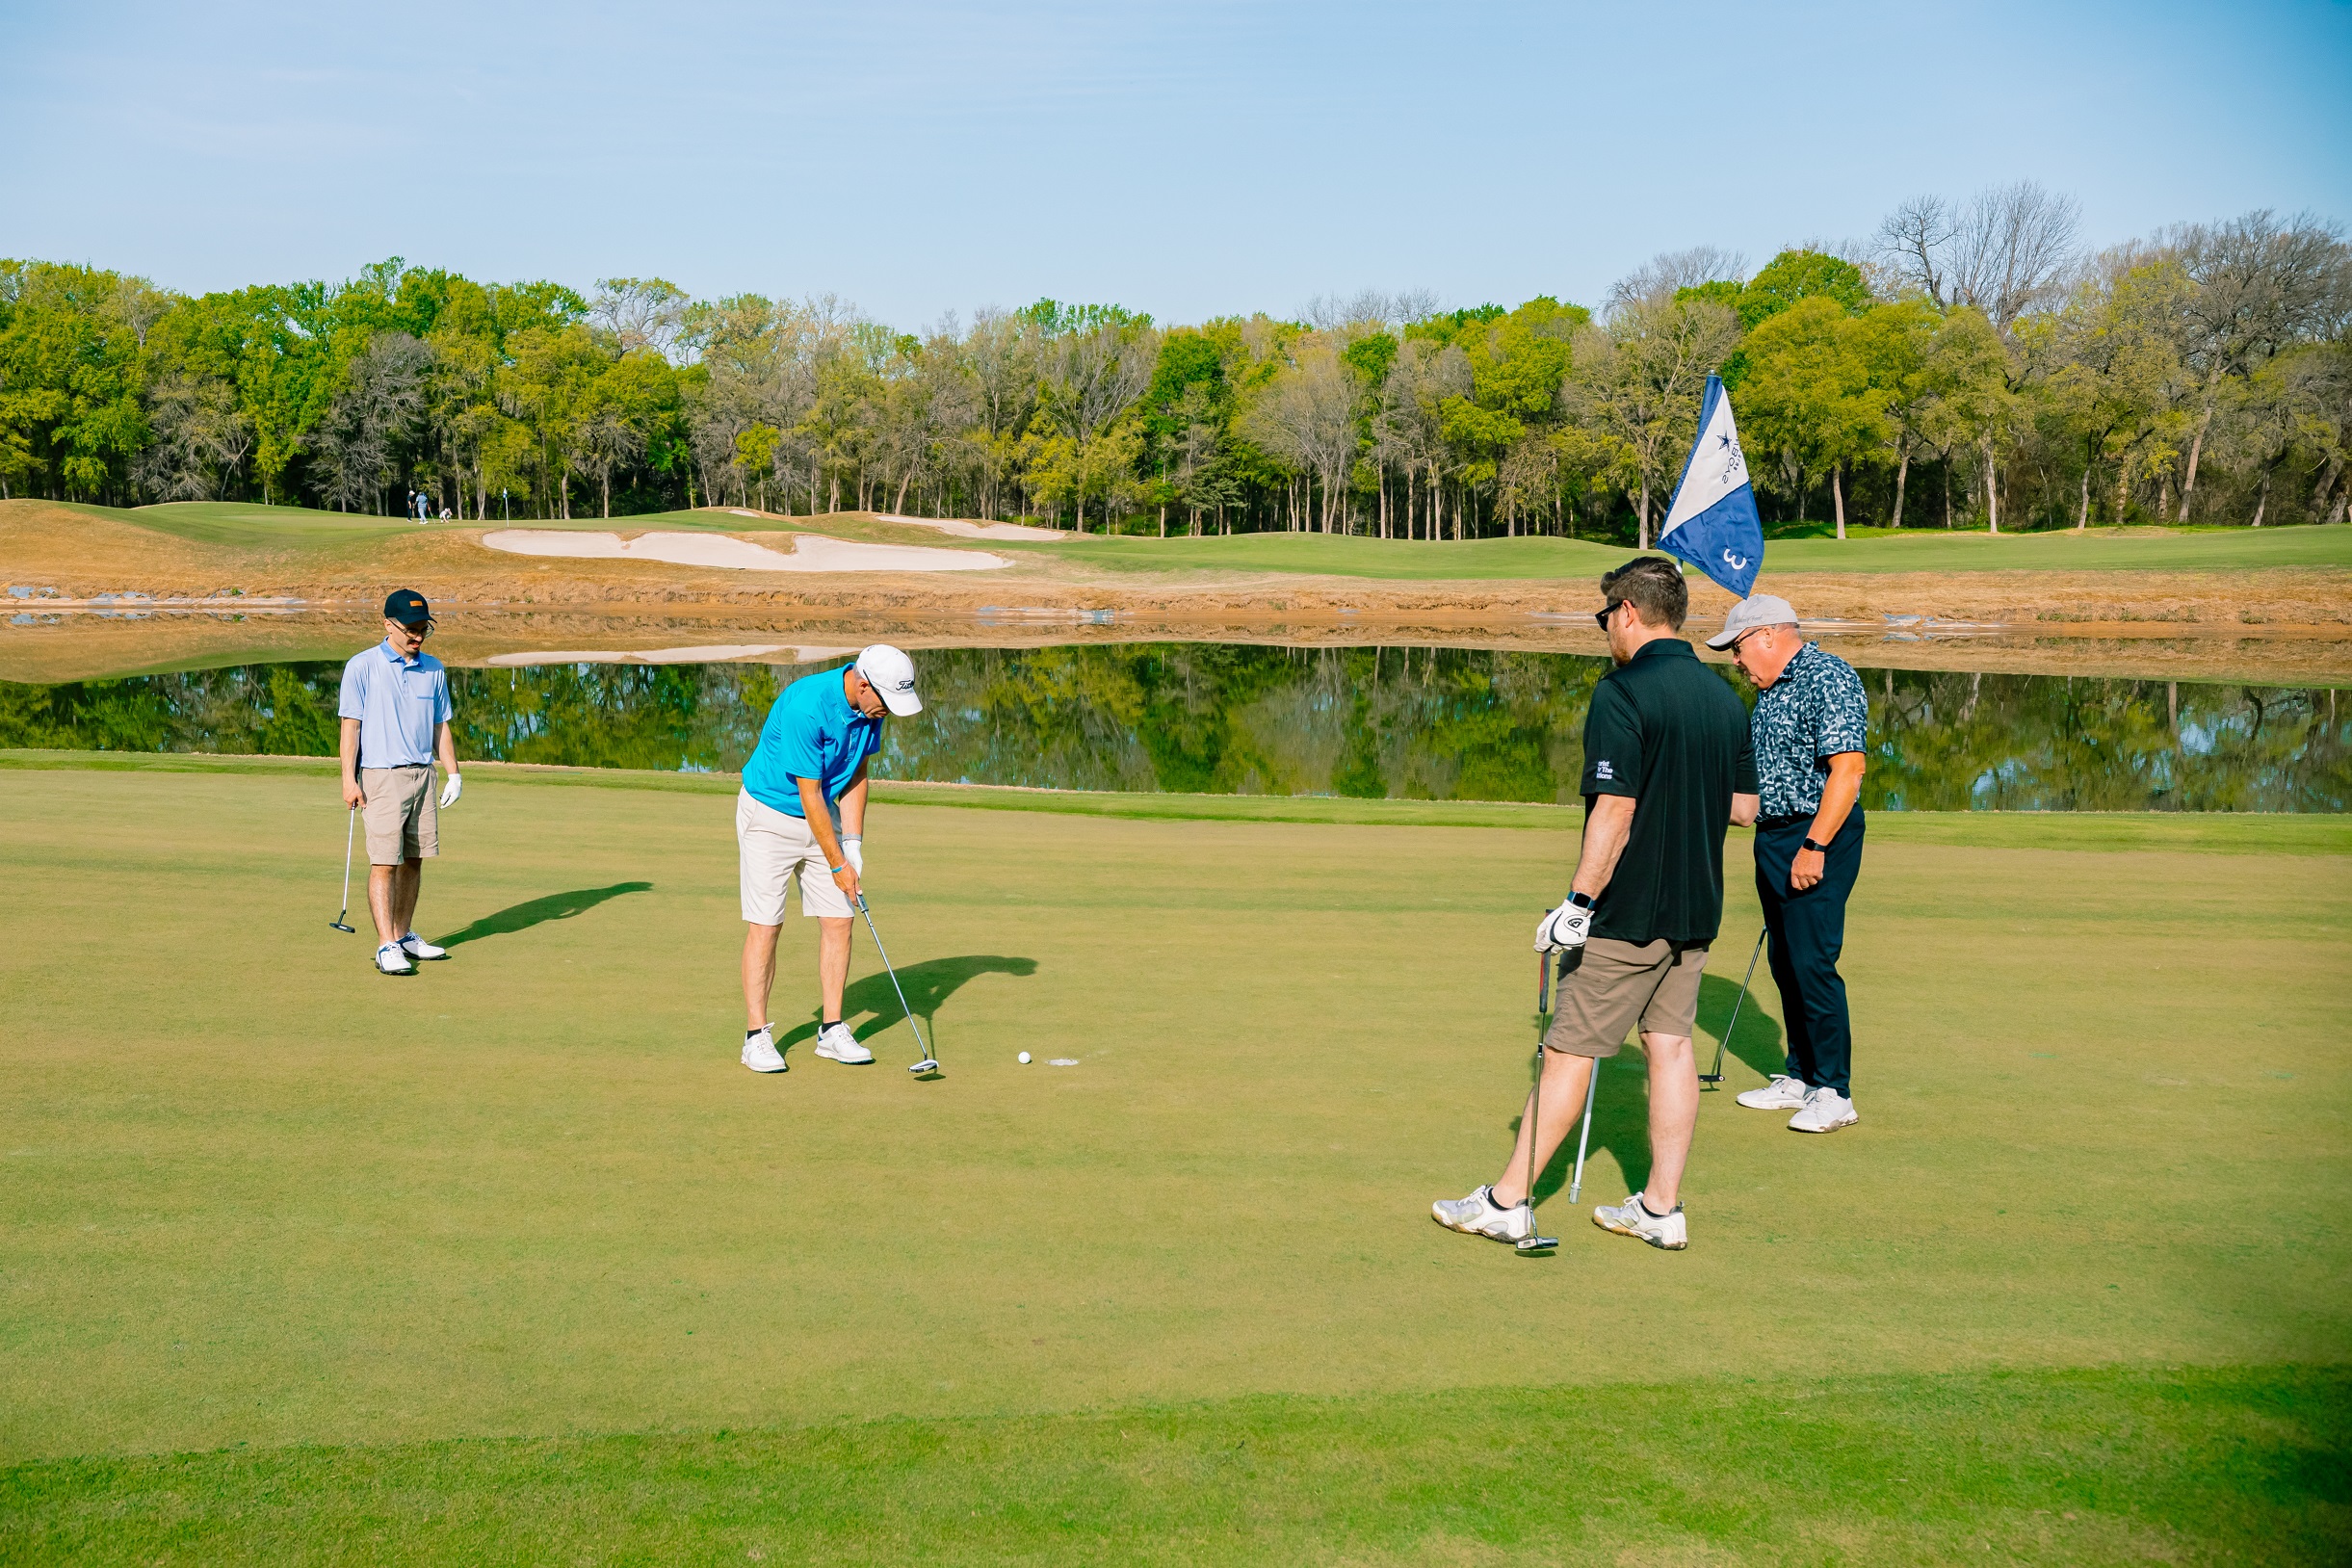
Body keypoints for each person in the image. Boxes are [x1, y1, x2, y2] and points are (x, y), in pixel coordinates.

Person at [1433, 557, 1757, 1251]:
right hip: (1696, 909)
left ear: (1629, 612)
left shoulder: (1622, 692)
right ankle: (1661, 1209)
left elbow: (1615, 808)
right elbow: (1743, 808)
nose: (1605, 625)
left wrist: (1578, 901)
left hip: (1626, 913)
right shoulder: (1723, 698)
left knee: (1567, 1053)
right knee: (1670, 1048)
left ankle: (1507, 1202)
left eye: (1606, 613)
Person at [1709, 595, 1869, 1134]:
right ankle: (1801, 1077)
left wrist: (1815, 846)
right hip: (1775, 835)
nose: (1735, 660)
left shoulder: (1827, 676)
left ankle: (1835, 1091)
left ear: (1768, 635)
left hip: (1816, 834)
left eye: (1737, 647)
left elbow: (1848, 771)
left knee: (1812, 961)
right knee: (1785, 960)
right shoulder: (1772, 691)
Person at [737, 645, 924, 1073]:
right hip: (770, 814)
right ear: (863, 684)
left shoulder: (871, 708)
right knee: (766, 925)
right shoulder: (807, 707)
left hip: (823, 814)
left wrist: (852, 843)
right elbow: (809, 794)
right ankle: (755, 1037)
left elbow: (856, 774)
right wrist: (838, 864)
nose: (888, 712)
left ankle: (832, 1030)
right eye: (886, 702)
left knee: (840, 920)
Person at [337, 589, 462, 976]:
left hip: (423, 775)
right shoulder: (362, 666)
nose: (418, 636)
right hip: (382, 776)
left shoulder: (434, 669)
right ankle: (385, 945)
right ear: (387, 624)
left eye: (424, 628)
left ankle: (403, 934)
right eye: (411, 629)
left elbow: (441, 726)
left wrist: (454, 773)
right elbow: (351, 728)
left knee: (414, 859)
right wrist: (349, 781)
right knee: (384, 862)